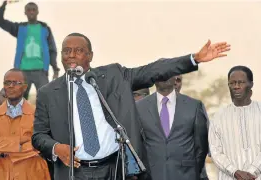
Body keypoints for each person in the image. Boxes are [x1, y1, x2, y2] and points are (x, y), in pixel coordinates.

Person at [31, 32, 230, 180]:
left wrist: (193, 59)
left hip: (114, 169)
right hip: (73, 172)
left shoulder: (113, 76)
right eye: (67, 51)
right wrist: (57, 148)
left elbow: (153, 70)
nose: (71, 55)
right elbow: (39, 136)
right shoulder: (48, 93)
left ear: (90, 56)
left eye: (78, 51)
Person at [136, 76, 209, 180]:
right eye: (160, 72)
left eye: (168, 72)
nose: (163, 75)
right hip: (151, 175)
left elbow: (201, 146)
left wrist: (193, 171)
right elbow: (136, 144)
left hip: (186, 175)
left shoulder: (194, 106)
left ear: (175, 78)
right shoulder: (139, 107)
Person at [0, 68, 50, 180]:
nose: (11, 86)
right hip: (0, 174)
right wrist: (19, 143)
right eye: (7, 82)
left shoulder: (38, 114)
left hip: (32, 174)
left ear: (25, 87)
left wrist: (2, 149)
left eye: (16, 83)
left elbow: (42, 145)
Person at [0, 1, 60, 100]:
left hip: (41, 72)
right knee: (19, 101)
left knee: (46, 99)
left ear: (37, 12)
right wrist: (4, 5)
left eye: (33, 10)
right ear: (25, 12)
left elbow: (52, 48)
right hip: (22, 72)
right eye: (29, 10)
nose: (31, 12)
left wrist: (55, 67)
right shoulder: (19, 28)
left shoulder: (45, 28)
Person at [209, 66, 261, 180]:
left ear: (251, 84)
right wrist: (234, 171)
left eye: (241, 82)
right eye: (232, 83)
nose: (236, 86)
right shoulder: (218, 117)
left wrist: (252, 172)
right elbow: (215, 151)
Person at [174, 75, 210, 180]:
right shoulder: (150, 107)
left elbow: (203, 144)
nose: (175, 83)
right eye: (171, 78)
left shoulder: (195, 106)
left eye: (178, 80)